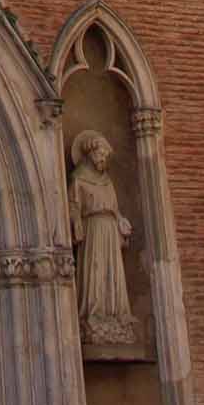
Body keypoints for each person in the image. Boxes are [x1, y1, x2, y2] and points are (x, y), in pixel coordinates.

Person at [68, 129, 136, 344]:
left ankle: (115, 314)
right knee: (95, 269)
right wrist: (76, 223)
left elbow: (114, 207)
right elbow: (73, 206)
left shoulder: (107, 181)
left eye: (105, 157)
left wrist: (120, 222)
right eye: (100, 155)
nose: (103, 159)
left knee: (111, 271)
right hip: (93, 228)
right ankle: (93, 313)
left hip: (109, 229)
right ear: (90, 154)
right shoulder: (78, 179)